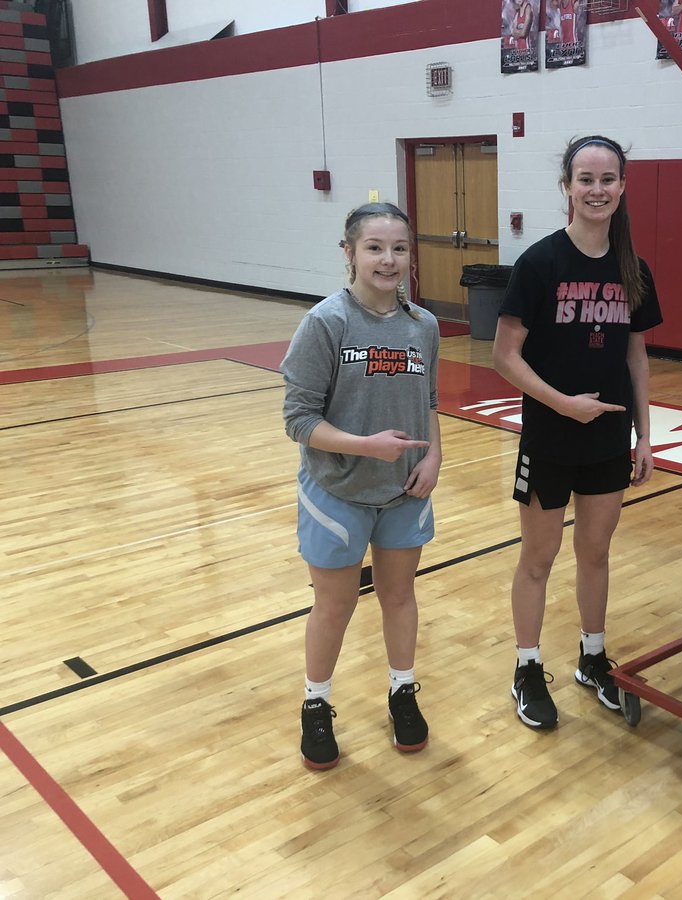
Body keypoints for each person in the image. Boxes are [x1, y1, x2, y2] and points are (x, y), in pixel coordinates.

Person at [493, 135, 662, 730]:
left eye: (607, 179)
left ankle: (592, 658)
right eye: (585, 179)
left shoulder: (632, 268)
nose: (597, 190)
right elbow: (505, 356)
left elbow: (637, 358)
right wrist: (562, 404)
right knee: (538, 557)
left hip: (608, 441)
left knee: (596, 552)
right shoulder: (539, 263)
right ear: (565, 186)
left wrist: (645, 434)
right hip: (549, 438)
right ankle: (527, 667)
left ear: (622, 187)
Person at [282, 201, 442, 769]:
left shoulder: (424, 325)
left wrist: (435, 456)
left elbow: (428, 403)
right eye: (375, 247)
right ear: (348, 253)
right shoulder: (326, 323)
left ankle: (402, 691)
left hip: (405, 493)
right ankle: (316, 704)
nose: (388, 259)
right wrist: (366, 446)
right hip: (337, 491)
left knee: (400, 597)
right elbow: (298, 420)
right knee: (335, 605)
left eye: (399, 248)